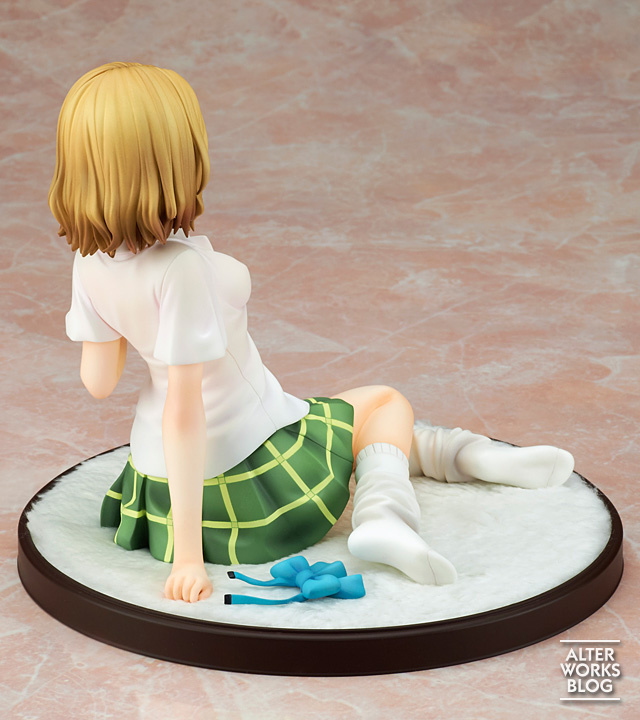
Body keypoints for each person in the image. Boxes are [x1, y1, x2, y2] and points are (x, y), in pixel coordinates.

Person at [50, 62, 575, 603]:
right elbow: (185, 412)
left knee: (355, 425)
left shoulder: (87, 264)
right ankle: (387, 513)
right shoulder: (179, 269)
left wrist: (129, 318)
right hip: (245, 459)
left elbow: (99, 381)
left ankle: (472, 459)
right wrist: (188, 559)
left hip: (155, 469)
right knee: (384, 403)